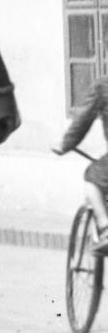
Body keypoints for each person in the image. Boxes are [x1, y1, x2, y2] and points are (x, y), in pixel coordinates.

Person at [54, 75, 108, 255]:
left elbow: (82, 121)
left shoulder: (103, 85)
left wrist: (65, 145)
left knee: (92, 178)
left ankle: (105, 227)